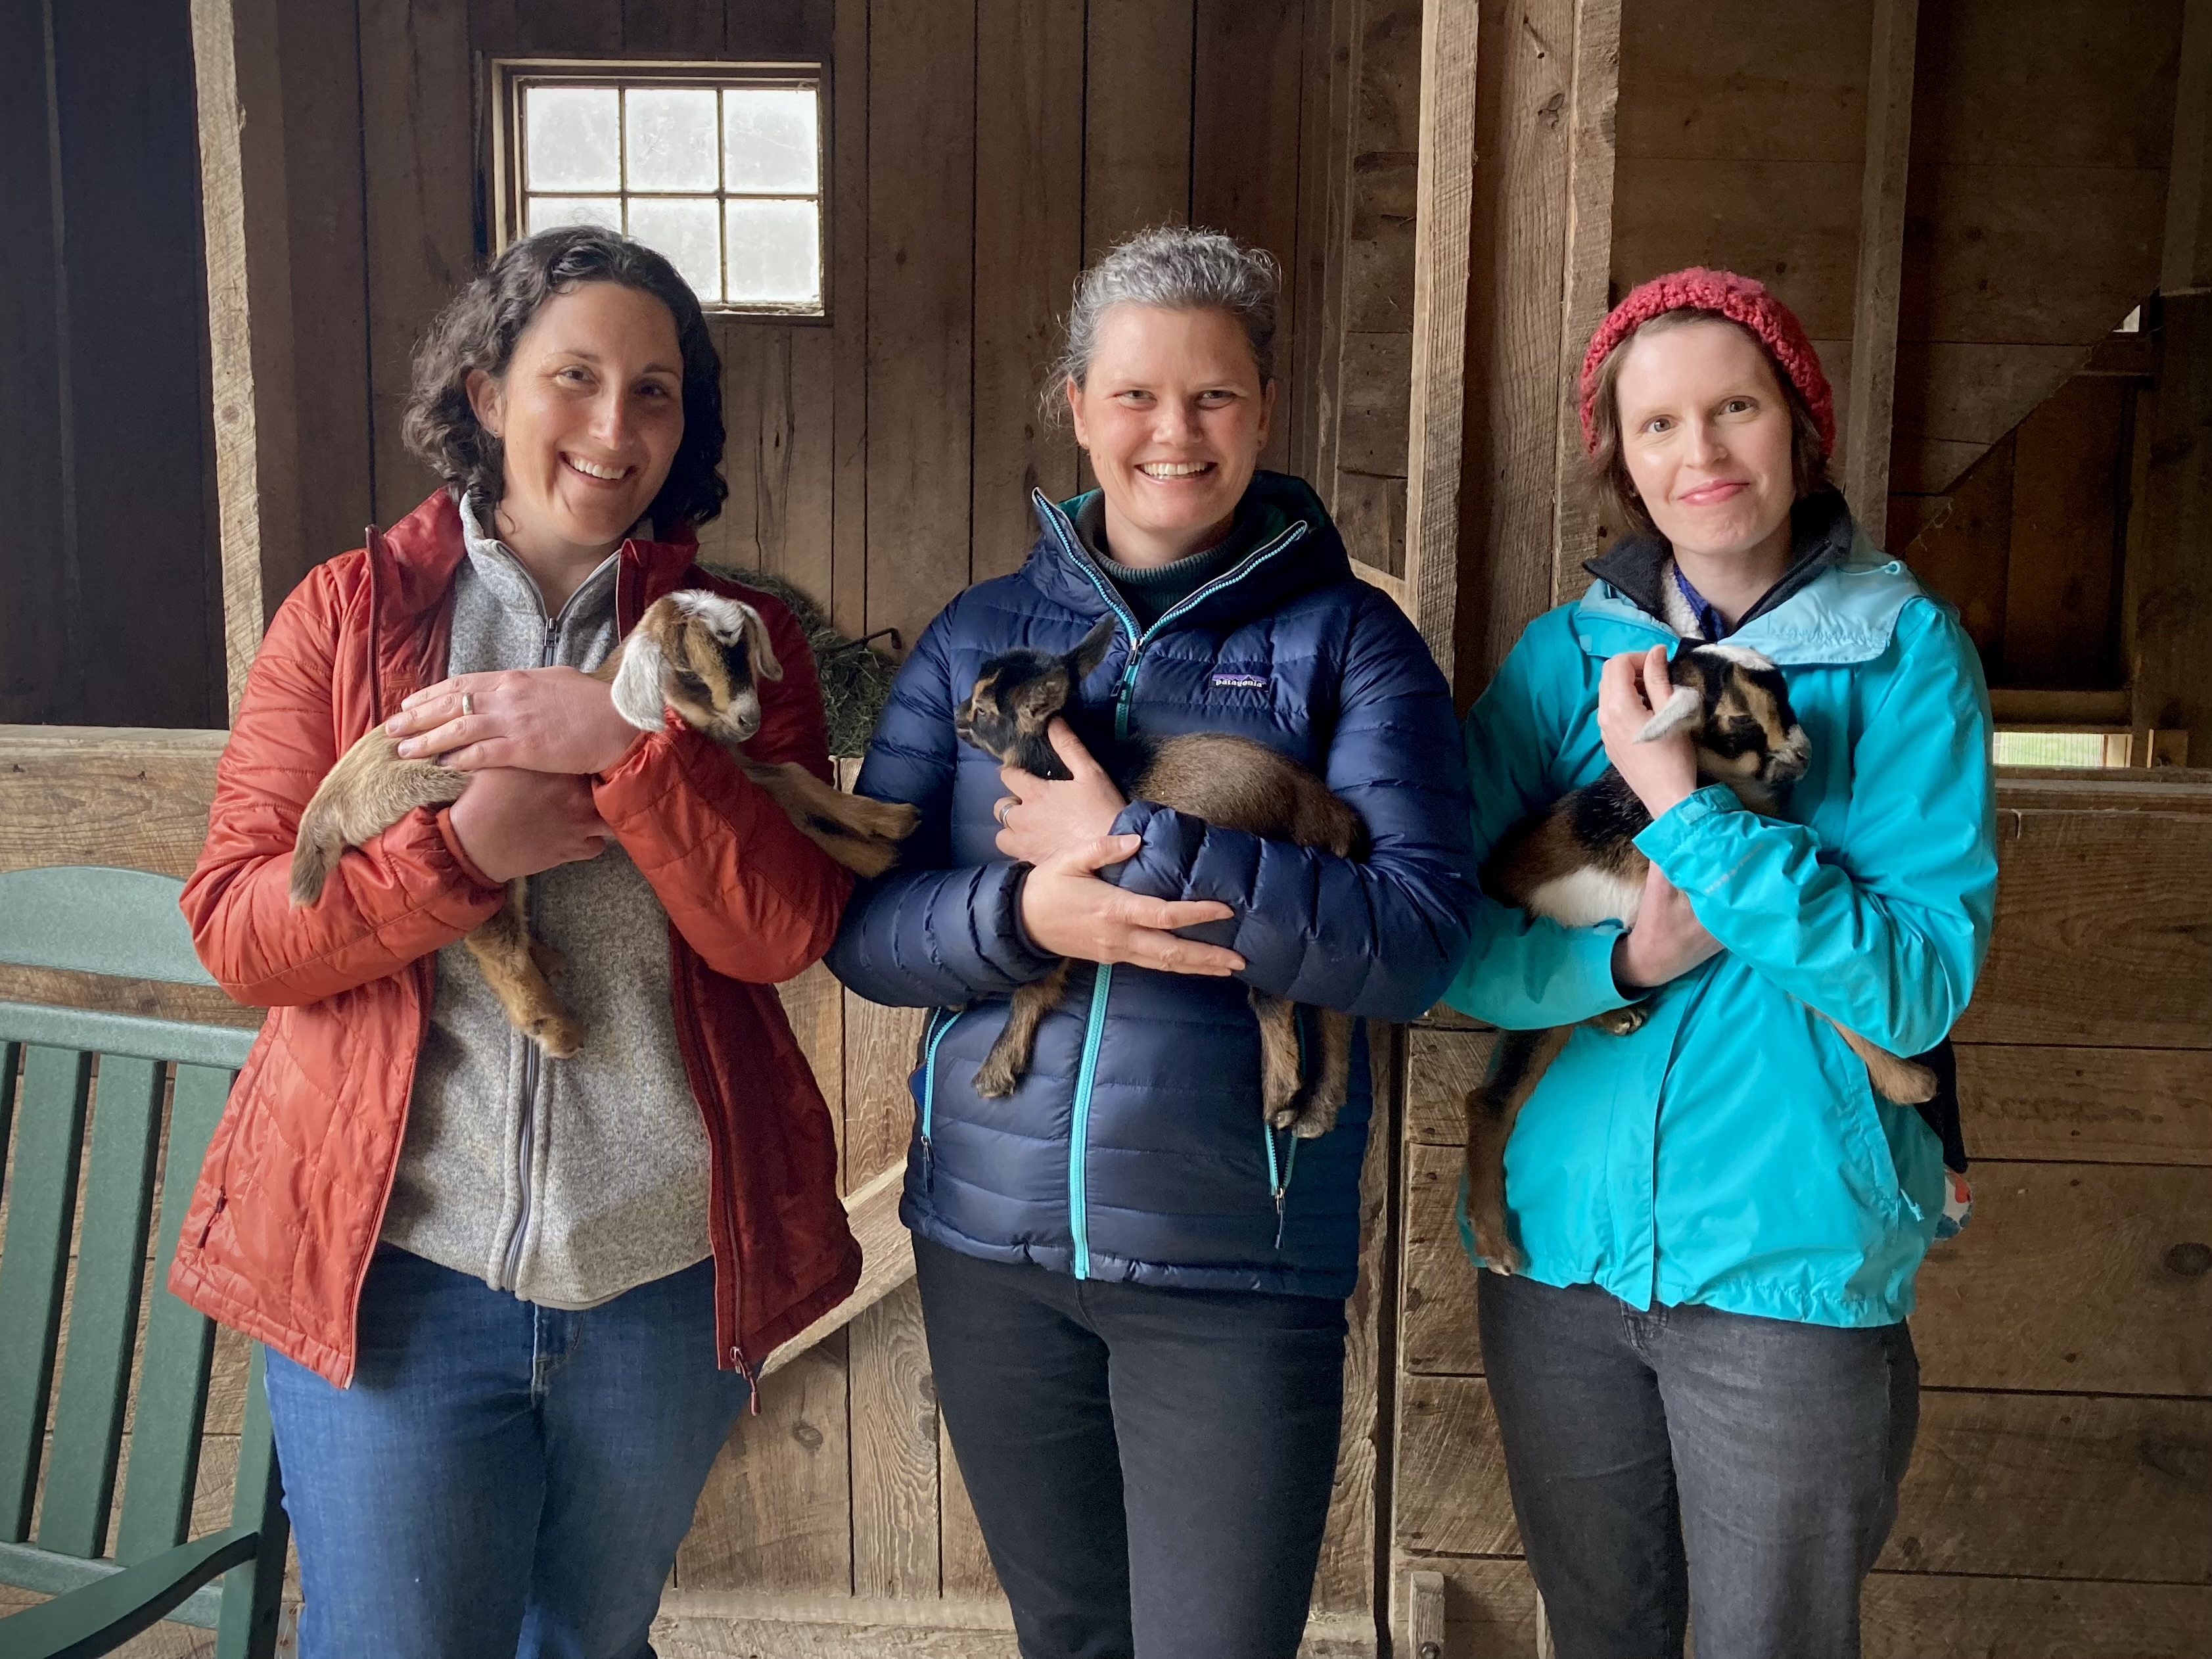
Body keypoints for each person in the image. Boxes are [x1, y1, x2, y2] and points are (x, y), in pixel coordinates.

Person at [170, 226, 860, 1659]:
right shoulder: (346, 616)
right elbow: (243, 930)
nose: (616, 428)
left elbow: (780, 931)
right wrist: (464, 850)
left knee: (586, 1645)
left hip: (657, 1282)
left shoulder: (748, 643)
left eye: (656, 391)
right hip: (398, 1271)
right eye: (575, 377)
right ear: (486, 391)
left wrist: (627, 741)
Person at [827, 226, 1475, 1658]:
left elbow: (1421, 937)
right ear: (1076, 405)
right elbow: (864, 927)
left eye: (1214, 398)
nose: (1172, 433)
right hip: (986, 1247)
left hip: (1235, 1262)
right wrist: (1022, 914)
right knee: (1070, 1636)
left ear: (1264, 408)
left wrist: (1144, 846)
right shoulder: (976, 635)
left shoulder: (1351, 644)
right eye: (1134, 396)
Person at [1446, 267, 1999, 1659]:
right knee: (1601, 1633)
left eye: (1736, 407)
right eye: (1659, 425)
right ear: (1624, 462)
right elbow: (1439, 938)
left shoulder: (1906, 653)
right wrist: (1619, 963)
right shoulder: (1563, 657)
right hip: (1558, 1258)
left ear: (1799, 424)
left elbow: (1917, 986)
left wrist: (1689, 819)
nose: (1700, 454)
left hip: (1790, 1264)